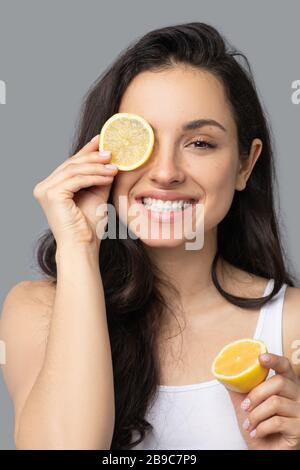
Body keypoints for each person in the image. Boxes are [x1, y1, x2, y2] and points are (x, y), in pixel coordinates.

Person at [1, 21, 300, 451]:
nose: (165, 172)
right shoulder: (35, 311)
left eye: (199, 143)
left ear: (244, 166)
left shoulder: (289, 324)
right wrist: (79, 247)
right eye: (142, 140)